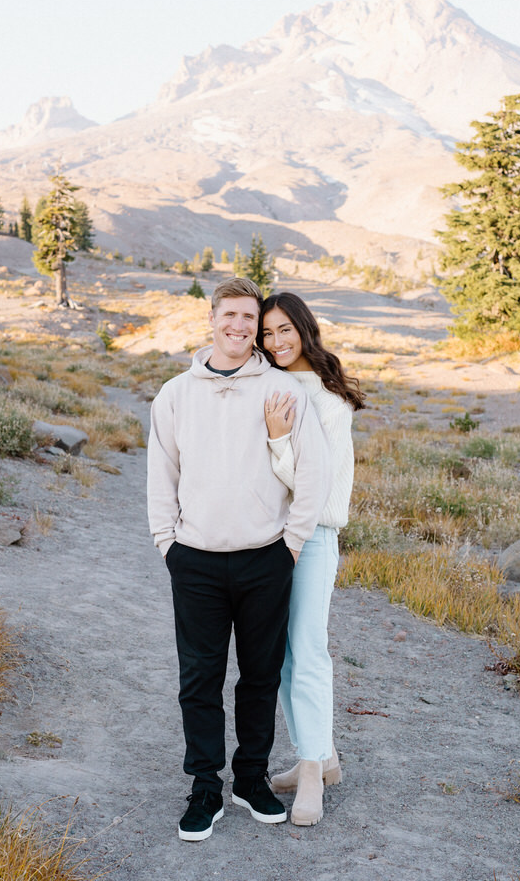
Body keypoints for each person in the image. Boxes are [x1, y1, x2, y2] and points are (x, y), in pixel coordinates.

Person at [146, 276, 330, 842]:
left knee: (259, 677)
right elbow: (162, 474)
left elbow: (312, 472)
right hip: (195, 560)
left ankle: (250, 777)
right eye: (230, 315)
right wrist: (167, 544)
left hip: (264, 559)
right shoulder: (175, 394)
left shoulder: (284, 391)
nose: (240, 326)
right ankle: (204, 785)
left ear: (256, 326)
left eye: (249, 318)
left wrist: (292, 544)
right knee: (198, 679)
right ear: (212, 319)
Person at [259, 291, 365, 827]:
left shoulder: (326, 397)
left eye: (284, 331)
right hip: (267, 540)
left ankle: (309, 778)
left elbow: (315, 487)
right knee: (277, 655)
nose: (276, 342)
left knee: (308, 652)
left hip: (315, 536)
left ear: (304, 328)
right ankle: (320, 758)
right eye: (267, 333)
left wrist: (278, 440)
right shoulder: (269, 383)